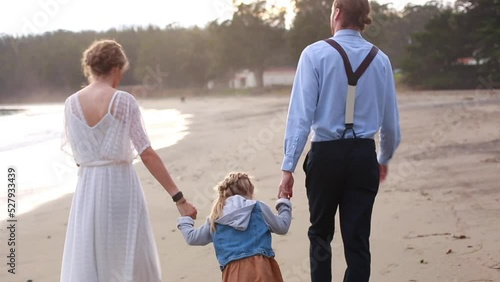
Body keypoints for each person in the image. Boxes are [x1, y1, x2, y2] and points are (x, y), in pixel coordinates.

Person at [278, 0, 402, 281]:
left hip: (325, 156)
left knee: (320, 234)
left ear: (336, 12)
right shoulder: (380, 60)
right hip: (363, 156)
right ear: (363, 18)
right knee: (357, 239)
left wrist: (288, 167)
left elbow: (301, 118)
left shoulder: (314, 54)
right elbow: (391, 125)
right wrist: (383, 158)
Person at [60, 39, 197, 282]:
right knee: (129, 255)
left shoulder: (71, 104)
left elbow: (79, 158)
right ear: (116, 68)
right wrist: (180, 199)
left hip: (87, 189)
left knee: (93, 257)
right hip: (120, 186)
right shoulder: (123, 101)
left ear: (90, 68)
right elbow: (146, 152)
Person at [177, 172, 292, 282]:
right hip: (263, 268)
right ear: (250, 191)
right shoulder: (258, 208)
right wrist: (283, 201)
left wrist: (185, 218)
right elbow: (282, 227)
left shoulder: (216, 217)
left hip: (233, 273)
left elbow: (192, 238)